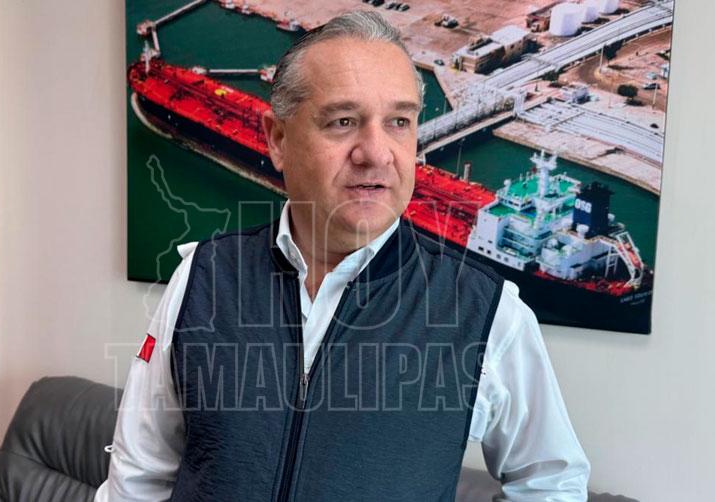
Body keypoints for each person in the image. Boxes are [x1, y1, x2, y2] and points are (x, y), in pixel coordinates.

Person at [97, 10, 589, 502]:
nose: (377, 153)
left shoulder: (489, 312)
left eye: (399, 122)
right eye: (343, 121)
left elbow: (552, 483)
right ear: (278, 139)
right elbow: (136, 481)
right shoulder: (201, 276)